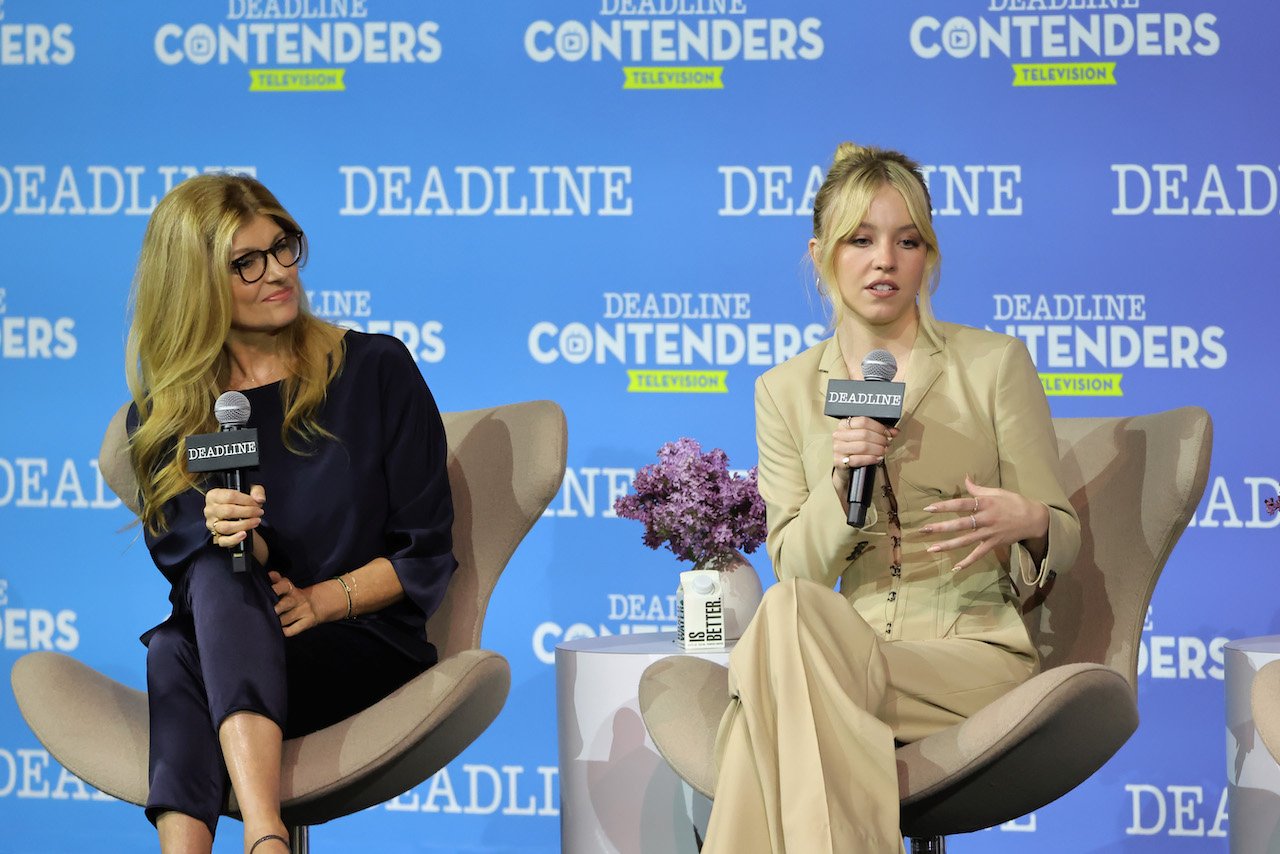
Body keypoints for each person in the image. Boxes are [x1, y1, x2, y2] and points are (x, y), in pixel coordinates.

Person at [701, 143, 1081, 852]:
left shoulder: (992, 365)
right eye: (860, 240)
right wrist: (843, 479)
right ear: (820, 254)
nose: (885, 261)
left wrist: (1027, 520)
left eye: (908, 242)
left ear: (928, 257)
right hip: (845, 644)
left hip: (968, 650)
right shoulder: (783, 392)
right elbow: (799, 569)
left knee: (767, 698)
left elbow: (1061, 528)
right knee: (789, 618)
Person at [124, 174, 457, 854]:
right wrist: (245, 541)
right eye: (246, 262)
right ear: (195, 285)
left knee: (174, 655)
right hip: (240, 643)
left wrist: (323, 599)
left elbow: (426, 550)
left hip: (361, 642)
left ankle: (262, 837)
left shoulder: (373, 369)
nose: (277, 273)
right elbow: (192, 575)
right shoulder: (165, 420)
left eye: (282, 248)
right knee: (203, 593)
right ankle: (267, 837)